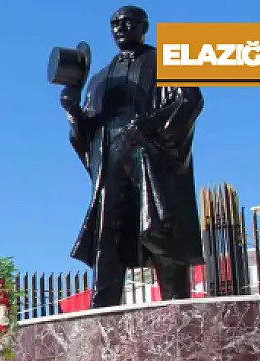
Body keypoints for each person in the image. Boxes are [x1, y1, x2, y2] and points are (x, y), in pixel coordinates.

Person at [60, 5, 204, 309]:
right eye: (115, 24)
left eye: (127, 22)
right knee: (107, 238)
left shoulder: (166, 61)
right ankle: (101, 315)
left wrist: (152, 125)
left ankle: (178, 310)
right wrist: (73, 111)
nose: (120, 28)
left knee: (162, 232)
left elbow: (190, 100)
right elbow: (86, 131)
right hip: (111, 159)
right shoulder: (100, 78)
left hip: (151, 156)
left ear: (144, 26)